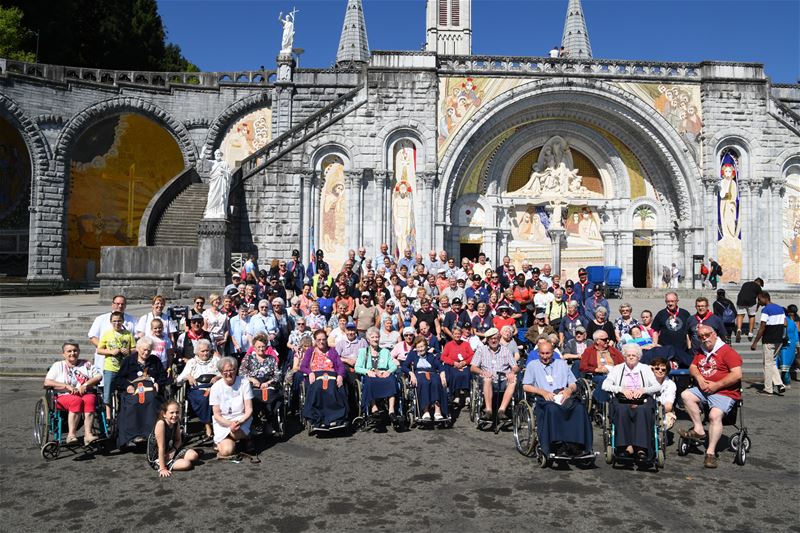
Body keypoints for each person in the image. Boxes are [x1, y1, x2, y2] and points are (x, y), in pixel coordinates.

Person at [679, 325, 743, 468]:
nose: (704, 338)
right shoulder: (702, 350)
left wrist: (717, 385)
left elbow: (737, 374)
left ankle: (710, 453)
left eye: (707, 335)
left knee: (714, 416)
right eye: (701, 336)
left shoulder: (727, 351)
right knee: (685, 395)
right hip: (705, 388)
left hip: (724, 391)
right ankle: (699, 430)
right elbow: (693, 367)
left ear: (714, 334)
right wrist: (700, 379)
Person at [522, 339, 593, 458]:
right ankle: (558, 445)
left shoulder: (562, 364)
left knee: (579, 408)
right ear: (538, 353)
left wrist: (569, 390)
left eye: (548, 353)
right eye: (542, 353)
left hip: (563, 396)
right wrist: (542, 391)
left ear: (553, 353)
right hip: (544, 398)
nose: (545, 357)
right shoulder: (532, 365)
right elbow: (526, 386)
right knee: (553, 410)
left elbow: (573, 383)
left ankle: (577, 444)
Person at [601, 343, 661, 459]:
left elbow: (657, 386)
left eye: (634, 355)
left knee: (643, 410)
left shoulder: (645, 368)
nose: (631, 357)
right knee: (622, 409)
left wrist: (644, 390)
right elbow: (605, 385)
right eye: (628, 355)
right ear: (624, 356)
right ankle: (626, 446)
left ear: (639, 357)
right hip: (623, 398)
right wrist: (621, 389)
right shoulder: (617, 369)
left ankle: (641, 447)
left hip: (642, 398)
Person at [44, 341, 102, 445]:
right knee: (76, 401)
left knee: (90, 399)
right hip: (63, 395)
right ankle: (71, 435)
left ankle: (88, 435)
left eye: (75, 351)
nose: (72, 353)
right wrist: (66, 386)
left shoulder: (86, 364)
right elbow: (47, 382)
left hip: (84, 393)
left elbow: (98, 376)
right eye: (69, 351)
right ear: (63, 354)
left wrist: (86, 384)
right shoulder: (58, 365)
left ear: (79, 352)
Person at [115, 337, 168, 448]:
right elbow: (119, 378)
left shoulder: (155, 360)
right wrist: (127, 385)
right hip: (133, 390)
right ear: (138, 349)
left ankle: (152, 434)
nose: (146, 352)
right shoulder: (129, 360)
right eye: (144, 349)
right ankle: (133, 435)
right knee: (133, 403)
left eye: (149, 350)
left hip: (151, 389)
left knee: (152, 401)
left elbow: (163, 376)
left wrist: (158, 382)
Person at [300, 329, 349, 428]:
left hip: (331, 375)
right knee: (318, 388)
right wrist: (310, 373)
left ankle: (336, 418)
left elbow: (341, 366)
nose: (321, 342)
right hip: (316, 376)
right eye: (319, 340)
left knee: (333, 389)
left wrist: (340, 376)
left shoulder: (332, 351)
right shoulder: (310, 351)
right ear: (315, 340)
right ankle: (318, 418)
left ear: (326, 339)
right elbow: (303, 366)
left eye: (323, 339)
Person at [175, 339, 220, 442]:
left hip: (215, 387)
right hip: (198, 389)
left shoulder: (216, 360)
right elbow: (179, 379)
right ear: (197, 352)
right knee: (205, 398)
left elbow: (225, 373)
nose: (205, 353)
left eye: (207, 350)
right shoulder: (192, 362)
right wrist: (188, 376)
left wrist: (218, 377)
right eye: (202, 351)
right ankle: (207, 424)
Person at [209, 356, 254, 458]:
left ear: (236, 370)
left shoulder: (244, 382)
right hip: (223, 421)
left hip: (241, 418)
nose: (229, 373)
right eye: (225, 371)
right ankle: (233, 440)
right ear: (221, 372)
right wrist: (230, 424)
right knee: (226, 452)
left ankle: (246, 436)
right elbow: (216, 414)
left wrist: (240, 422)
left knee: (235, 433)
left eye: (231, 370)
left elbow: (249, 409)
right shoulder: (215, 387)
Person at [470, 328, 519, 421]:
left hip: (503, 380)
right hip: (487, 380)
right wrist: (482, 372)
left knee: (513, 381)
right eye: (491, 339)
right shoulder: (481, 350)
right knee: (487, 379)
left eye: (495, 338)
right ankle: (488, 410)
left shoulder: (506, 350)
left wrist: (512, 373)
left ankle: (502, 410)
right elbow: (473, 367)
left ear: (499, 338)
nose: (493, 340)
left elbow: (515, 367)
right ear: (487, 340)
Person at [239, 334, 283, 435]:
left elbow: (278, 374)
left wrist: (268, 383)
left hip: (268, 383)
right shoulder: (248, 358)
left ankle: (268, 422)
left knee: (273, 396)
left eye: (263, 346)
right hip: (253, 384)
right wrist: (252, 379)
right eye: (258, 346)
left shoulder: (271, 359)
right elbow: (241, 373)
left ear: (266, 347)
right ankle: (254, 423)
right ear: (254, 347)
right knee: (252, 397)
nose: (261, 349)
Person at [96, 311, 135, 421]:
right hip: (110, 367)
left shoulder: (128, 334)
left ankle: (123, 412)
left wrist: (128, 351)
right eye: (114, 321)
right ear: (110, 322)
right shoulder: (107, 334)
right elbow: (99, 350)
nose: (117, 323)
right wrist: (110, 351)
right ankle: (108, 415)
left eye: (119, 321)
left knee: (125, 391)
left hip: (124, 368)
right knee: (108, 391)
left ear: (123, 321)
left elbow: (134, 349)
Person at [88, 295, 136, 383]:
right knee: (106, 387)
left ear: (125, 305)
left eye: (122, 304)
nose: (120, 306)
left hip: (125, 361)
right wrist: (107, 350)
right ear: (112, 304)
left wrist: (128, 351)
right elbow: (92, 337)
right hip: (106, 360)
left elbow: (136, 338)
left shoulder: (132, 320)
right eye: (117, 303)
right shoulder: (101, 319)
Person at [147, 400, 200, 477]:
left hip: (170, 450)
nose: (175, 415)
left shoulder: (176, 422)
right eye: (171, 413)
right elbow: (161, 447)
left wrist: (173, 450)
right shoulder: (161, 423)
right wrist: (162, 468)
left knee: (194, 455)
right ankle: (172, 462)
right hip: (158, 457)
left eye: (177, 412)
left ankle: (175, 460)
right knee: (187, 464)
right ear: (164, 414)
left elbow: (178, 440)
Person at [401, 336, 448, 421]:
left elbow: (440, 366)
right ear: (415, 347)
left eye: (422, 346)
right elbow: (404, 366)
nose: (421, 349)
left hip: (432, 373)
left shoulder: (431, 356)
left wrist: (442, 374)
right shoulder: (412, 354)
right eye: (418, 347)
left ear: (426, 346)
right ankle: (425, 410)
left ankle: (437, 410)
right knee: (423, 382)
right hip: (418, 374)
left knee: (436, 381)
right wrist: (411, 374)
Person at [355, 327, 398, 419]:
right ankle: (374, 408)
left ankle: (391, 410)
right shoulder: (363, 352)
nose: (375, 339)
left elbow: (393, 366)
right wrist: (367, 371)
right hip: (371, 374)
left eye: (377, 337)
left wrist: (388, 371)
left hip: (383, 374)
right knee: (369, 381)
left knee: (392, 380)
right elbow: (357, 368)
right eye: (373, 337)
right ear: (368, 339)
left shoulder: (385, 351)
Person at [750, 292, 787, 396]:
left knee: (767, 364)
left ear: (764, 298)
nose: (759, 302)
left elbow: (762, 327)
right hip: (779, 340)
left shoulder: (766, 310)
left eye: (759, 300)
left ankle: (768, 389)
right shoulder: (780, 308)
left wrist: (755, 342)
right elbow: (785, 323)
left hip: (769, 340)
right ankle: (780, 384)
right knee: (772, 362)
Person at [579, 330, 624, 406]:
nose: (608, 341)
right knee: (604, 380)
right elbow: (582, 367)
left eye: (608, 339)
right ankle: (601, 404)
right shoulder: (589, 351)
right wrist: (596, 369)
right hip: (598, 375)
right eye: (605, 339)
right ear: (597, 341)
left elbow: (623, 363)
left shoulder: (613, 350)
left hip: (614, 374)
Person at [651, 292, 692, 367]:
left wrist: (689, 347)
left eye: (672, 301)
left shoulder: (685, 313)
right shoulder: (661, 314)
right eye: (668, 301)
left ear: (677, 301)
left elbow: (688, 332)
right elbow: (655, 331)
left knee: (683, 374)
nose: (670, 303)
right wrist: (655, 344)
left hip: (682, 350)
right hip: (666, 350)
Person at [440, 324, 474, 406]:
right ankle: (456, 396)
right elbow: (443, 357)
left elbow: (472, 355)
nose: (457, 335)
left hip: (464, 363)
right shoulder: (448, 345)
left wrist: (465, 362)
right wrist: (453, 363)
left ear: (461, 334)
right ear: (452, 334)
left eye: (459, 334)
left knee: (466, 374)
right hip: (453, 365)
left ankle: (467, 396)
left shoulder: (466, 344)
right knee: (455, 374)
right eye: (455, 334)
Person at [650, 357, 677, 430]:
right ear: (652, 369)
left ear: (667, 371)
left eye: (663, 369)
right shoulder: (646, 381)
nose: (660, 371)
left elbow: (668, 407)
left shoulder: (670, 384)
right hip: (646, 411)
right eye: (657, 368)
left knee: (666, 422)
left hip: (663, 411)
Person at [735, 277, 764, 342]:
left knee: (740, 315)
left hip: (740, 299)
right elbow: (760, 298)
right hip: (751, 301)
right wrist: (757, 307)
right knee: (751, 316)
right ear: (759, 283)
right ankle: (750, 333)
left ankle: (739, 329)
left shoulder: (746, 283)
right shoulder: (757, 286)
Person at [779, 305, 799, 386]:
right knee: (786, 365)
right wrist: (797, 347)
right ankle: (786, 382)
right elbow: (796, 336)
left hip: (783, 344)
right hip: (791, 345)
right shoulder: (792, 322)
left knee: (783, 365)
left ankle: (785, 382)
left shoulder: (781, 321)